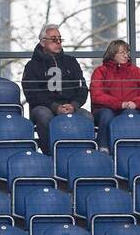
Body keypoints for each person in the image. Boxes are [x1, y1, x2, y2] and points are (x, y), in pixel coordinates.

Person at [21, 25, 91, 154]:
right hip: (45, 107)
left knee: (86, 116)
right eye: (54, 39)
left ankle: (82, 155)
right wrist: (54, 107)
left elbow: (82, 88)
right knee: (43, 115)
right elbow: (32, 93)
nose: (58, 42)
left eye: (60, 39)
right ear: (43, 42)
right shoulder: (32, 66)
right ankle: (51, 154)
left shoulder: (71, 62)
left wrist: (74, 105)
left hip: (70, 105)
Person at [90, 39, 140, 150]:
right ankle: (103, 148)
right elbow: (97, 95)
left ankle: (132, 149)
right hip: (105, 110)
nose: (126, 56)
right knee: (107, 114)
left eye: (127, 53)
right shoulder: (101, 71)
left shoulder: (135, 71)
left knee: (130, 113)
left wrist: (136, 102)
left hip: (130, 108)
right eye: (122, 53)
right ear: (112, 54)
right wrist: (120, 104)